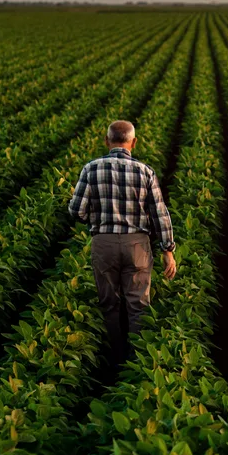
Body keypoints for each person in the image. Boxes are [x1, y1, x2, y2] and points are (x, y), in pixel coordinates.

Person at [68, 120, 177, 368]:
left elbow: (76, 211)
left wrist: (95, 218)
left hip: (103, 242)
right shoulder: (145, 172)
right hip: (137, 244)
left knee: (109, 303)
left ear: (107, 141)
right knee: (138, 305)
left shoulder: (91, 169)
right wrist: (167, 250)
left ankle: (113, 360)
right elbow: (160, 214)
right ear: (133, 142)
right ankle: (136, 362)